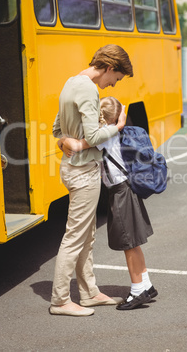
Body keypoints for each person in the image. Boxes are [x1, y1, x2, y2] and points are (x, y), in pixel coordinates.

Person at [50, 45, 133, 317]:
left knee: (86, 234)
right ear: (110, 67)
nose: (112, 85)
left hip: (73, 168)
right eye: (116, 78)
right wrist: (117, 127)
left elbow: (56, 129)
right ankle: (60, 301)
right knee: (75, 237)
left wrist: (67, 141)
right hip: (83, 171)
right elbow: (95, 136)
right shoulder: (88, 89)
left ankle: (89, 293)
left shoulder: (70, 83)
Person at [60, 96, 158, 310]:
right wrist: (121, 117)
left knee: (128, 244)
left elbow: (78, 145)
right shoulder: (118, 132)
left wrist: (63, 140)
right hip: (128, 189)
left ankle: (137, 291)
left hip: (120, 192)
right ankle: (146, 285)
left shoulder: (104, 137)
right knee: (134, 242)